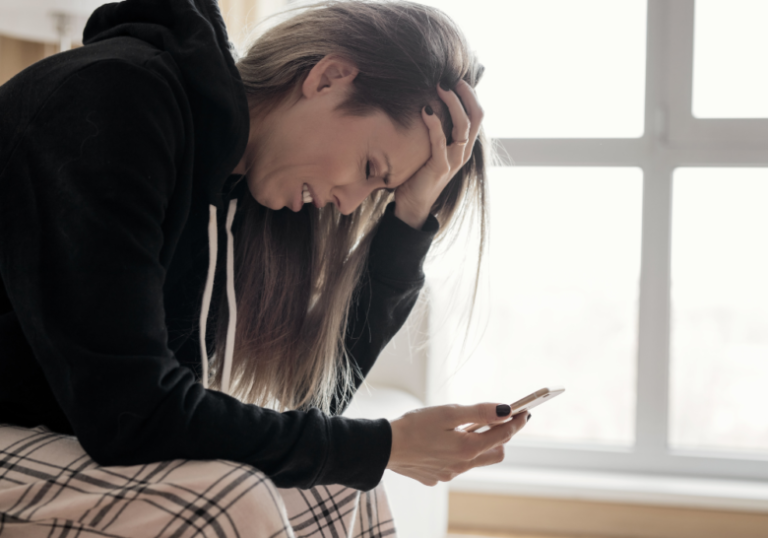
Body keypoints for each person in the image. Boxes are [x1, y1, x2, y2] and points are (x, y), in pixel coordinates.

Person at [0, 0, 529, 534]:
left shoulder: (241, 189)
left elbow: (312, 402)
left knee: (341, 492)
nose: (349, 205)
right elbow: (132, 412)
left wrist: (409, 219)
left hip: (66, 436)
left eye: (377, 190)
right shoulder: (112, 102)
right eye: (370, 168)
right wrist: (383, 444)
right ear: (329, 78)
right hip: (28, 431)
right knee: (230, 502)